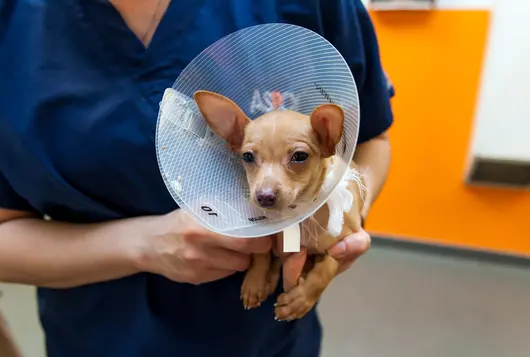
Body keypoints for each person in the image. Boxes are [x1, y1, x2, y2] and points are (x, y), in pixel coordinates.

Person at [0, 0, 393, 356]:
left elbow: (371, 136)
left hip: (266, 339)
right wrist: (144, 245)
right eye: (251, 158)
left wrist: (346, 201)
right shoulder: (14, 22)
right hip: (97, 337)